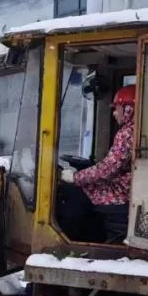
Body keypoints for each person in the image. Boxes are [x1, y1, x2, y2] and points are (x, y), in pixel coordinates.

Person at [58, 84, 136, 241]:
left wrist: (75, 178)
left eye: (117, 108)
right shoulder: (138, 129)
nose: (114, 113)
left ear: (129, 108)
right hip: (130, 188)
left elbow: (108, 169)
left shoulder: (127, 133)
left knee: (74, 195)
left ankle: (71, 239)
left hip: (121, 192)